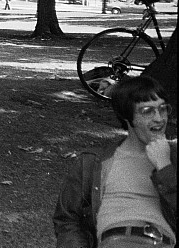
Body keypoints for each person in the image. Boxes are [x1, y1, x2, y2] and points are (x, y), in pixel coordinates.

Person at [53, 76, 176, 248]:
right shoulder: (93, 162)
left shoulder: (173, 158)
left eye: (163, 109)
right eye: (148, 111)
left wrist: (164, 166)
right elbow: (67, 219)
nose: (159, 118)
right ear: (127, 117)